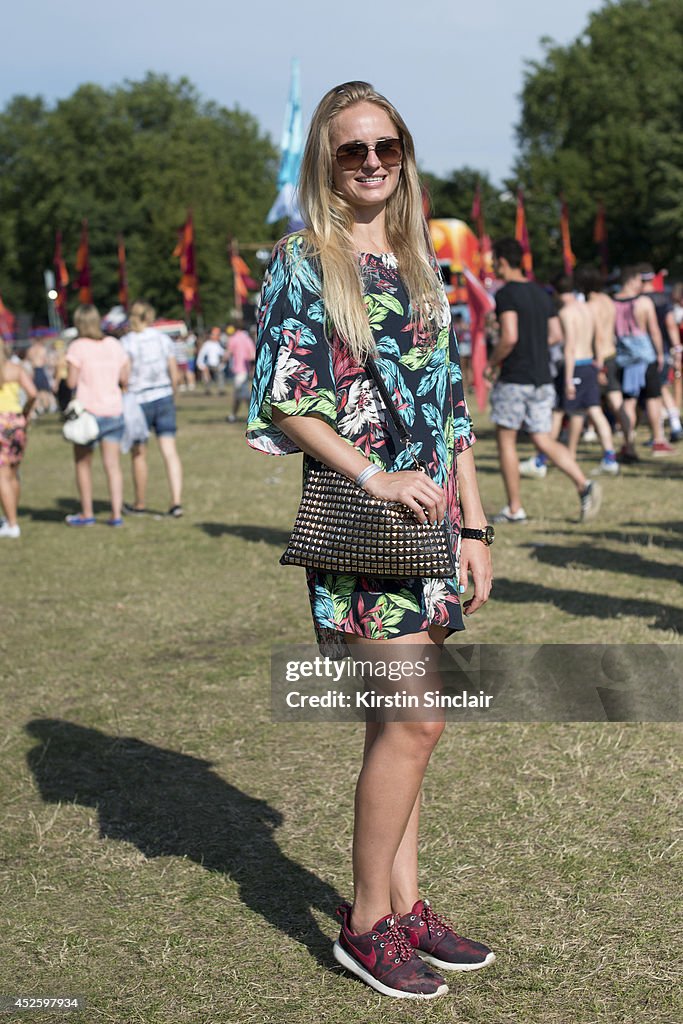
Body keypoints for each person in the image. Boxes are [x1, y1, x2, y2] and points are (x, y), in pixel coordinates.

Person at [247, 80, 494, 1000]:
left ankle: (405, 906)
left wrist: (473, 524)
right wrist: (373, 474)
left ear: (405, 153)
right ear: (326, 159)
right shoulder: (303, 258)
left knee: (406, 728)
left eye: (386, 147)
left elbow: (451, 413)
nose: (372, 165)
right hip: (363, 528)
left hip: (433, 528)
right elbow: (283, 396)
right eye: (353, 151)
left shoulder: (416, 259)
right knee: (416, 719)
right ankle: (363, 926)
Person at [486, 239, 601, 523]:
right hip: (543, 378)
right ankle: (583, 485)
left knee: (507, 442)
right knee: (542, 438)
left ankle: (515, 508)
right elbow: (556, 335)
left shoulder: (507, 294)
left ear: (502, 261)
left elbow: (510, 335)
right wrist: (534, 345)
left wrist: (491, 364)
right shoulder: (541, 293)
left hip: (516, 377)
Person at [64, 304, 129, 526]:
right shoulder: (113, 344)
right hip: (113, 410)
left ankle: (87, 513)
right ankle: (116, 514)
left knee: (83, 465)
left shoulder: (77, 346)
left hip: (87, 414)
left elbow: (71, 382)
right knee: (113, 466)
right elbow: (124, 377)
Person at [120, 301, 183, 517]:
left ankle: (139, 503)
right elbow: (174, 374)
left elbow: (124, 376)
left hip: (138, 400)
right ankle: (176, 502)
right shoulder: (163, 339)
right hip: (163, 395)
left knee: (139, 454)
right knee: (169, 451)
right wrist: (172, 394)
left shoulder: (126, 342)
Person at [555, 274, 619, 473]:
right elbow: (599, 338)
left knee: (564, 411)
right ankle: (609, 457)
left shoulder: (566, 312)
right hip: (591, 364)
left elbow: (570, 347)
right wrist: (599, 365)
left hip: (577, 366)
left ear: (557, 293)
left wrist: (568, 380)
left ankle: (546, 457)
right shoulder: (588, 309)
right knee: (590, 411)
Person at [612, 266, 671, 459]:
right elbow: (653, 329)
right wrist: (660, 353)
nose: (642, 284)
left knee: (629, 401)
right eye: (639, 280)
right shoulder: (643, 302)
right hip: (645, 356)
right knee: (653, 398)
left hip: (624, 358)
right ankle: (658, 441)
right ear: (631, 280)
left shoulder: (611, 302)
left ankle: (628, 444)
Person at [639, 264, 682, 442]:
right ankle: (669, 427)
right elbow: (671, 325)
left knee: (656, 392)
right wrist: (677, 348)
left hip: (648, 352)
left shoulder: (640, 300)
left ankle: (669, 427)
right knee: (661, 389)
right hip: (663, 350)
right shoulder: (664, 298)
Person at [0, 342, 37, 538]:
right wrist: (26, 411)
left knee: (2, 476)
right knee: (13, 473)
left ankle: (12, 524)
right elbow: (32, 393)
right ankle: (10, 516)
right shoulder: (15, 369)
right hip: (16, 421)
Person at [225, 322, 256, 422]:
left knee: (243, 394)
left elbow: (228, 353)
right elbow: (252, 355)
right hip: (246, 369)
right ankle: (234, 416)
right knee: (239, 394)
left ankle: (253, 416)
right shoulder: (247, 339)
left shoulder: (233, 338)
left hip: (239, 369)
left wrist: (221, 362)